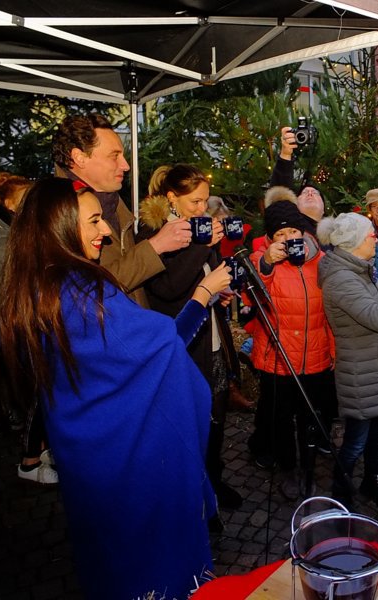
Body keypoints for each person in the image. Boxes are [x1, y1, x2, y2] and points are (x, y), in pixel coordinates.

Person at [0, 177, 231, 600]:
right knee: (150, 569)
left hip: (86, 456)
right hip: (132, 464)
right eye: (93, 222)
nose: (106, 231)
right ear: (60, 226)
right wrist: (203, 293)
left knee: (110, 562)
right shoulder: (86, 291)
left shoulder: (35, 287)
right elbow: (164, 349)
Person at [137, 164, 243, 512]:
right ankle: (192, 495)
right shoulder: (152, 233)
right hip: (182, 339)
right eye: (195, 202)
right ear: (172, 198)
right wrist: (202, 246)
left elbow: (207, 275)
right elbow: (166, 289)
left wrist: (220, 291)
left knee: (216, 413)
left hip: (211, 334)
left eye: (204, 201)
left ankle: (213, 480)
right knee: (191, 419)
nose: (202, 208)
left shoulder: (199, 227)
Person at [245, 193, 336, 500]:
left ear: (303, 233)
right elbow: (248, 299)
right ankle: (288, 471)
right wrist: (268, 263)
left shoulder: (322, 262)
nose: (287, 239)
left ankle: (309, 470)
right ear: (271, 239)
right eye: (279, 234)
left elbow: (334, 310)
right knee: (281, 421)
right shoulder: (261, 262)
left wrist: (334, 351)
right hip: (278, 359)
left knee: (310, 419)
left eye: (292, 233)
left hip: (315, 356)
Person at [52, 113, 191, 306]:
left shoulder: (113, 202)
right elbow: (86, 290)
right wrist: (155, 246)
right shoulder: (54, 213)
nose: (125, 166)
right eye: (114, 156)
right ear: (80, 157)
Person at [317, 213, 378, 507]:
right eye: (370, 235)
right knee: (355, 441)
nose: (375, 238)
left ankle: (371, 484)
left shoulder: (360, 268)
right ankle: (340, 495)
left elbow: (376, 308)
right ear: (354, 243)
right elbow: (377, 317)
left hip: (374, 366)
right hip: (360, 372)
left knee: (376, 435)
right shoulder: (340, 279)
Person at [0, 173, 55, 483]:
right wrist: (29, 312)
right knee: (32, 396)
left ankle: (39, 451)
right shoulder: (0, 237)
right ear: (8, 203)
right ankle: (29, 461)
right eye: (25, 200)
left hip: (20, 329)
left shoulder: (13, 231)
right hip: (13, 332)